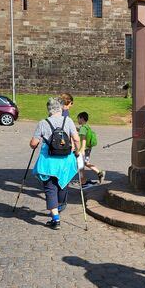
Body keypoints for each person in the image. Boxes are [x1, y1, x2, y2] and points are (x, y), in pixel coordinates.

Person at [30, 97, 80, 229]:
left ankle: (56, 219)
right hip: (65, 160)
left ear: (49, 109)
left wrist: (35, 144)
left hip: (48, 162)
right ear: (60, 108)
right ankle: (59, 206)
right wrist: (77, 151)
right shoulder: (68, 120)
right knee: (63, 184)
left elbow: (33, 143)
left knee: (50, 188)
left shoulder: (43, 122)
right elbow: (76, 139)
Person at [77, 111, 106, 189]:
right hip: (88, 149)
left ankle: (83, 183)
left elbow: (83, 139)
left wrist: (81, 150)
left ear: (82, 118)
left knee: (80, 165)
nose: (77, 120)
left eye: (78, 118)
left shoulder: (83, 128)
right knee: (85, 163)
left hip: (83, 149)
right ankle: (99, 173)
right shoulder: (86, 126)